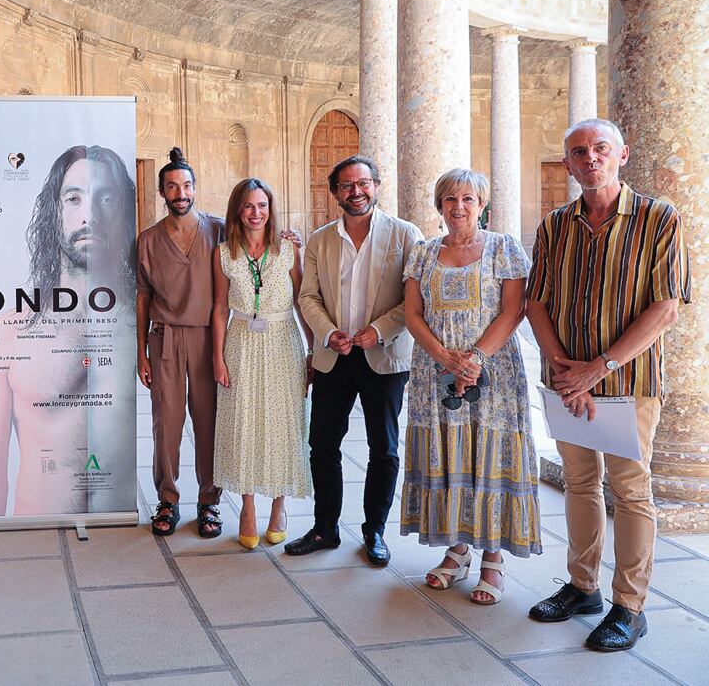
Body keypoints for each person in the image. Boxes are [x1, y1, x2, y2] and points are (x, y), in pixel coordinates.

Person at [525, 119, 689, 651]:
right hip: (567, 380)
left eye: (600, 148)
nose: (590, 158)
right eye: (578, 151)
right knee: (578, 483)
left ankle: (629, 606)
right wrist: (563, 368)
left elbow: (666, 308)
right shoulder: (555, 225)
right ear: (568, 164)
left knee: (630, 490)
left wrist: (597, 368)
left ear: (621, 154)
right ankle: (582, 586)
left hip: (628, 382)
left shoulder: (658, 218)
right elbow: (536, 301)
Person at [0, 145, 137, 516]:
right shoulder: (8, 330)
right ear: (52, 213)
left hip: (119, 536)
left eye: (105, 198)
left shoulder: (142, 323)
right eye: (73, 198)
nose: (89, 215)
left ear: (123, 212)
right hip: (38, 533)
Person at [400, 169, 540, 605]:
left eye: (467, 199)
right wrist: (446, 359)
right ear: (439, 207)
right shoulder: (423, 253)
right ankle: (458, 550)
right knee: (450, 452)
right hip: (435, 371)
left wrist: (475, 358)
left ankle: (493, 559)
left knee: (489, 451)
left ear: (482, 205)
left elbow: (514, 311)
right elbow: (412, 315)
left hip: (494, 371)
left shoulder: (504, 248)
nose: (458, 207)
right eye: (449, 200)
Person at [287, 155, 423, 566]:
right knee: (322, 444)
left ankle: (374, 531)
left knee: (384, 448)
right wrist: (328, 333)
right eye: (346, 185)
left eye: (363, 183)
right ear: (335, 193)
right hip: (334, 355)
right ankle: (325, 527)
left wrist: (378, 329)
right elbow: (307, 296)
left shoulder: (405, 235)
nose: (355, 191)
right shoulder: (320, 240)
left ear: (376, 186)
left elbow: (412, 301)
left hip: (384, 356)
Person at [212, 178, 313, 549]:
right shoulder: (223, 253)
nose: (256, 213)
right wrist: (217, 357)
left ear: (271, 209)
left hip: (282, 341)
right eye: (248, 206)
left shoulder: (288, 249)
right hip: (240, 343)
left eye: (262, 206)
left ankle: (279, 506)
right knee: (244, 423)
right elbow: (220, 307)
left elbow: (303, 300)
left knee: (283, 422)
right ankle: (248, 507)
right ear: (238, 211)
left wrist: (313, 350)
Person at [136, 148, 226, 538]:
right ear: (162, 192)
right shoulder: (148, 240)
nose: (180, 193)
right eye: (172, 187)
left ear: (195, 187)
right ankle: (168, 499)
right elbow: (141, 298)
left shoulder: (220, 231)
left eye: (186, 185)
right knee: (166, 424)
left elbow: (259, 249)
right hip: (165, 338)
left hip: (210, 337)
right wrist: (141, 350)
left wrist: (287, 240)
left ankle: (209, 501)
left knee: (209, 422)